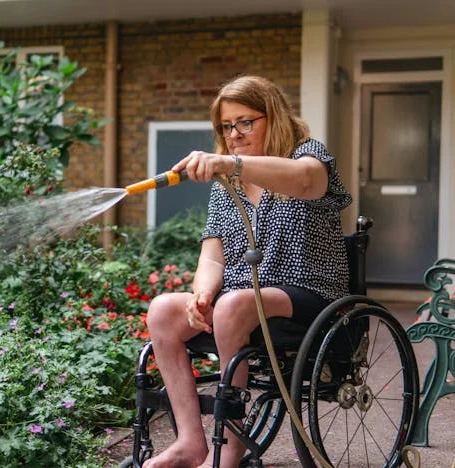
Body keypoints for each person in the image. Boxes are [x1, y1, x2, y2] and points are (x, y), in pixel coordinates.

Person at [142, 75, 352, 468]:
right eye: (226, 126)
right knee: (163, 311)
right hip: (242, 298)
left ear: (272, 116)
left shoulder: (308, 155)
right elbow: (213, 256)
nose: (234, 134)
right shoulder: (226, 184)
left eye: (245, 122)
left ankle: (230, 451)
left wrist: (230, 162)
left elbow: (306, 182)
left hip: (308, 292)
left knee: (233, 305)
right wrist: (203, 293)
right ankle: (190, 443)